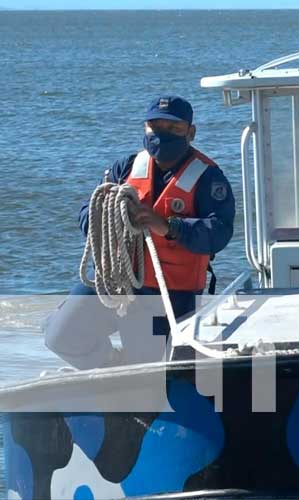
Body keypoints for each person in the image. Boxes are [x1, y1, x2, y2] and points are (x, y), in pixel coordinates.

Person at [44, 96, 235, 369]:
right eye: (155, 127)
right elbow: (87, 213)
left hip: (169, 296)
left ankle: (138, 395)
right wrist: (107, 217)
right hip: (115, 285)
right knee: (59, 333)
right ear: (145, 129)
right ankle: (109, 365)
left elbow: (220, 232)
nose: (162, 135)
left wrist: (170, 226)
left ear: (190, 133)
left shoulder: (208, 178)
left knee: (147, 370)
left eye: (174, 128)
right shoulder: (125, 168)